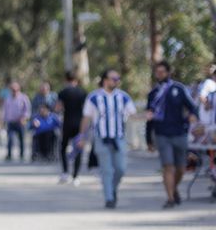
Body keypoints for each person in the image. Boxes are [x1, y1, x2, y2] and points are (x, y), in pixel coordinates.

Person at [75, 68, 137, 209]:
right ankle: (109, 197)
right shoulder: (93, 97)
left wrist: (149, 116)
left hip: (119, 139)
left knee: (120, 169)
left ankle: (113, 189)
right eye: (114, 78)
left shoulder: (123, 97)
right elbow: (86, 118)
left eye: (118, 79)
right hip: (101, 138)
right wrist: (82, 137)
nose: (117, 81)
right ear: (105, 80)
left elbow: (133, 114)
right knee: (106, 170)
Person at [146, 60, 198, 207]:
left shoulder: (179, 89)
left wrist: (192, 116)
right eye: (157, 72)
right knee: (168, 166)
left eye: (162, 72)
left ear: (168, 73)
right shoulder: (153, 93)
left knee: (181, 168)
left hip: (179, 133)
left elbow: (193, 107)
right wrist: (148, 140)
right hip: (162, 134)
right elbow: (149, 118)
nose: (159, 74)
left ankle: (173, 188)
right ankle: (170, 198)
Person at [56, 71, 89, 184]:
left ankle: (65, 172)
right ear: (76, 80)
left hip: (67, 123)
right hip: (79, 124)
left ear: (66, 80)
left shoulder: (63, 92)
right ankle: (76, 176)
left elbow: (58, 108)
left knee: (63, 147)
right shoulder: (82, 92)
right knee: (78, 148)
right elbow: (86, 110)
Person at [1, 81, 31, 161]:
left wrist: (24, 118)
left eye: (15, 89)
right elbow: (5, 110)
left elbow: (27, 110)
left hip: (20, 122)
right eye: (12, 89)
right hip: (11, 122)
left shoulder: (23, 98)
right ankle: (9, 154)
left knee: (21, 139)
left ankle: (21, 154)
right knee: (10, 138)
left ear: (18, 89)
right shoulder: (8, 98)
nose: (14, 91)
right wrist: (3, 120)